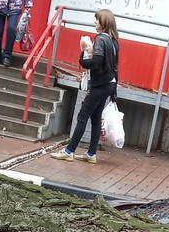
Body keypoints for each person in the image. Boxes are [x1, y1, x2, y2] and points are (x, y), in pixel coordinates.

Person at [50, 9, 120, 165]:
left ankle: (69, 151)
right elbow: (114, 65)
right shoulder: (114, 40)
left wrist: (83, 57)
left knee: (82, 116)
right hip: (109, 83)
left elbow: (96, 63)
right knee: (95, 118)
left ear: (104, 23)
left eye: (97, 20)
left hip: (100, 85)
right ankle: (91, 154)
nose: (95, 22)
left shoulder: (101, 39)